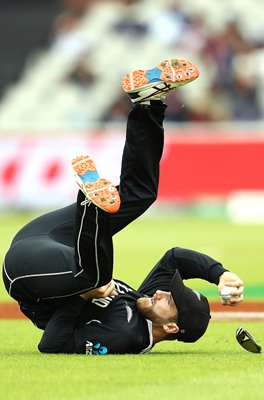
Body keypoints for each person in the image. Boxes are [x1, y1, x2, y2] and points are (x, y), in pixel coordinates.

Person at [2, 58, 244, 355]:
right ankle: (148, 103)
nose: (160, 292)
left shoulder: (125, 337)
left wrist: (82, 298)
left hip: (28, 273)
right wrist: (221, 274)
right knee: (140, 195)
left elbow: (52, 344)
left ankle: (92, 205)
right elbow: (175, 258)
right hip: (50, 238)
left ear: (170, 328)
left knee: (94, 278)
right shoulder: (144, 302)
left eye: (170, 300)